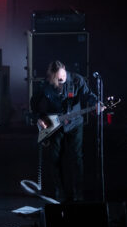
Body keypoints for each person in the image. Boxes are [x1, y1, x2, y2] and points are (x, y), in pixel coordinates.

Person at [31, 60, 100, 202]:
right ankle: (59, 190)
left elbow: (88, 95)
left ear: (64, 70)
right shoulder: (46, 84)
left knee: (76, 158)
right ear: (52, 77)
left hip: (74, 124)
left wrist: (97, 103)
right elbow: (34, 102)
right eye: (57, 79)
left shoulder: (77, 80)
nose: (61, 80)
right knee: (55, 158)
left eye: (62, 77)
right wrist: (38, 118)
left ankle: (78, 193)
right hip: (55, 125)